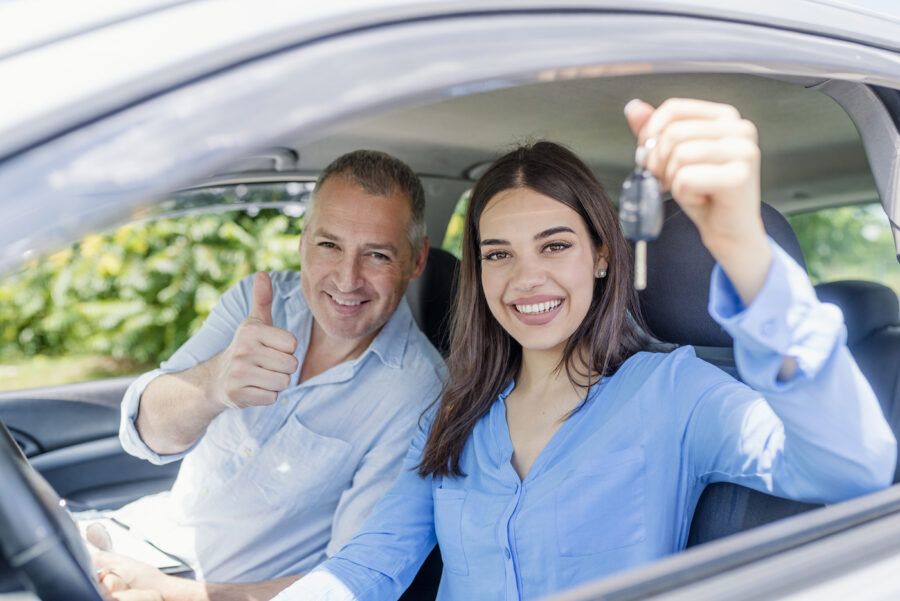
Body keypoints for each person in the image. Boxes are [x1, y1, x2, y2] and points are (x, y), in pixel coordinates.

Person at [98, 98, 897, 601]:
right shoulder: (454, 417)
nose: (526, 278)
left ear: (601, 256)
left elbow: (852, 468)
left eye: (554, 245)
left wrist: (745, 251)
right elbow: (368, 572)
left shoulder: (675, 394)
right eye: (497, 253)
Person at [93, 149, 446, 595]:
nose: (347, 278)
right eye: (329, 245)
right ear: (303, 242)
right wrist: (212, 384)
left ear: (416, 261)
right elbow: (146, 435)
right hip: (132, 536)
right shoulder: (257, 303)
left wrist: (167, 591)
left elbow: (349, 578)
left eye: (377, 255)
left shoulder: (419, 395)